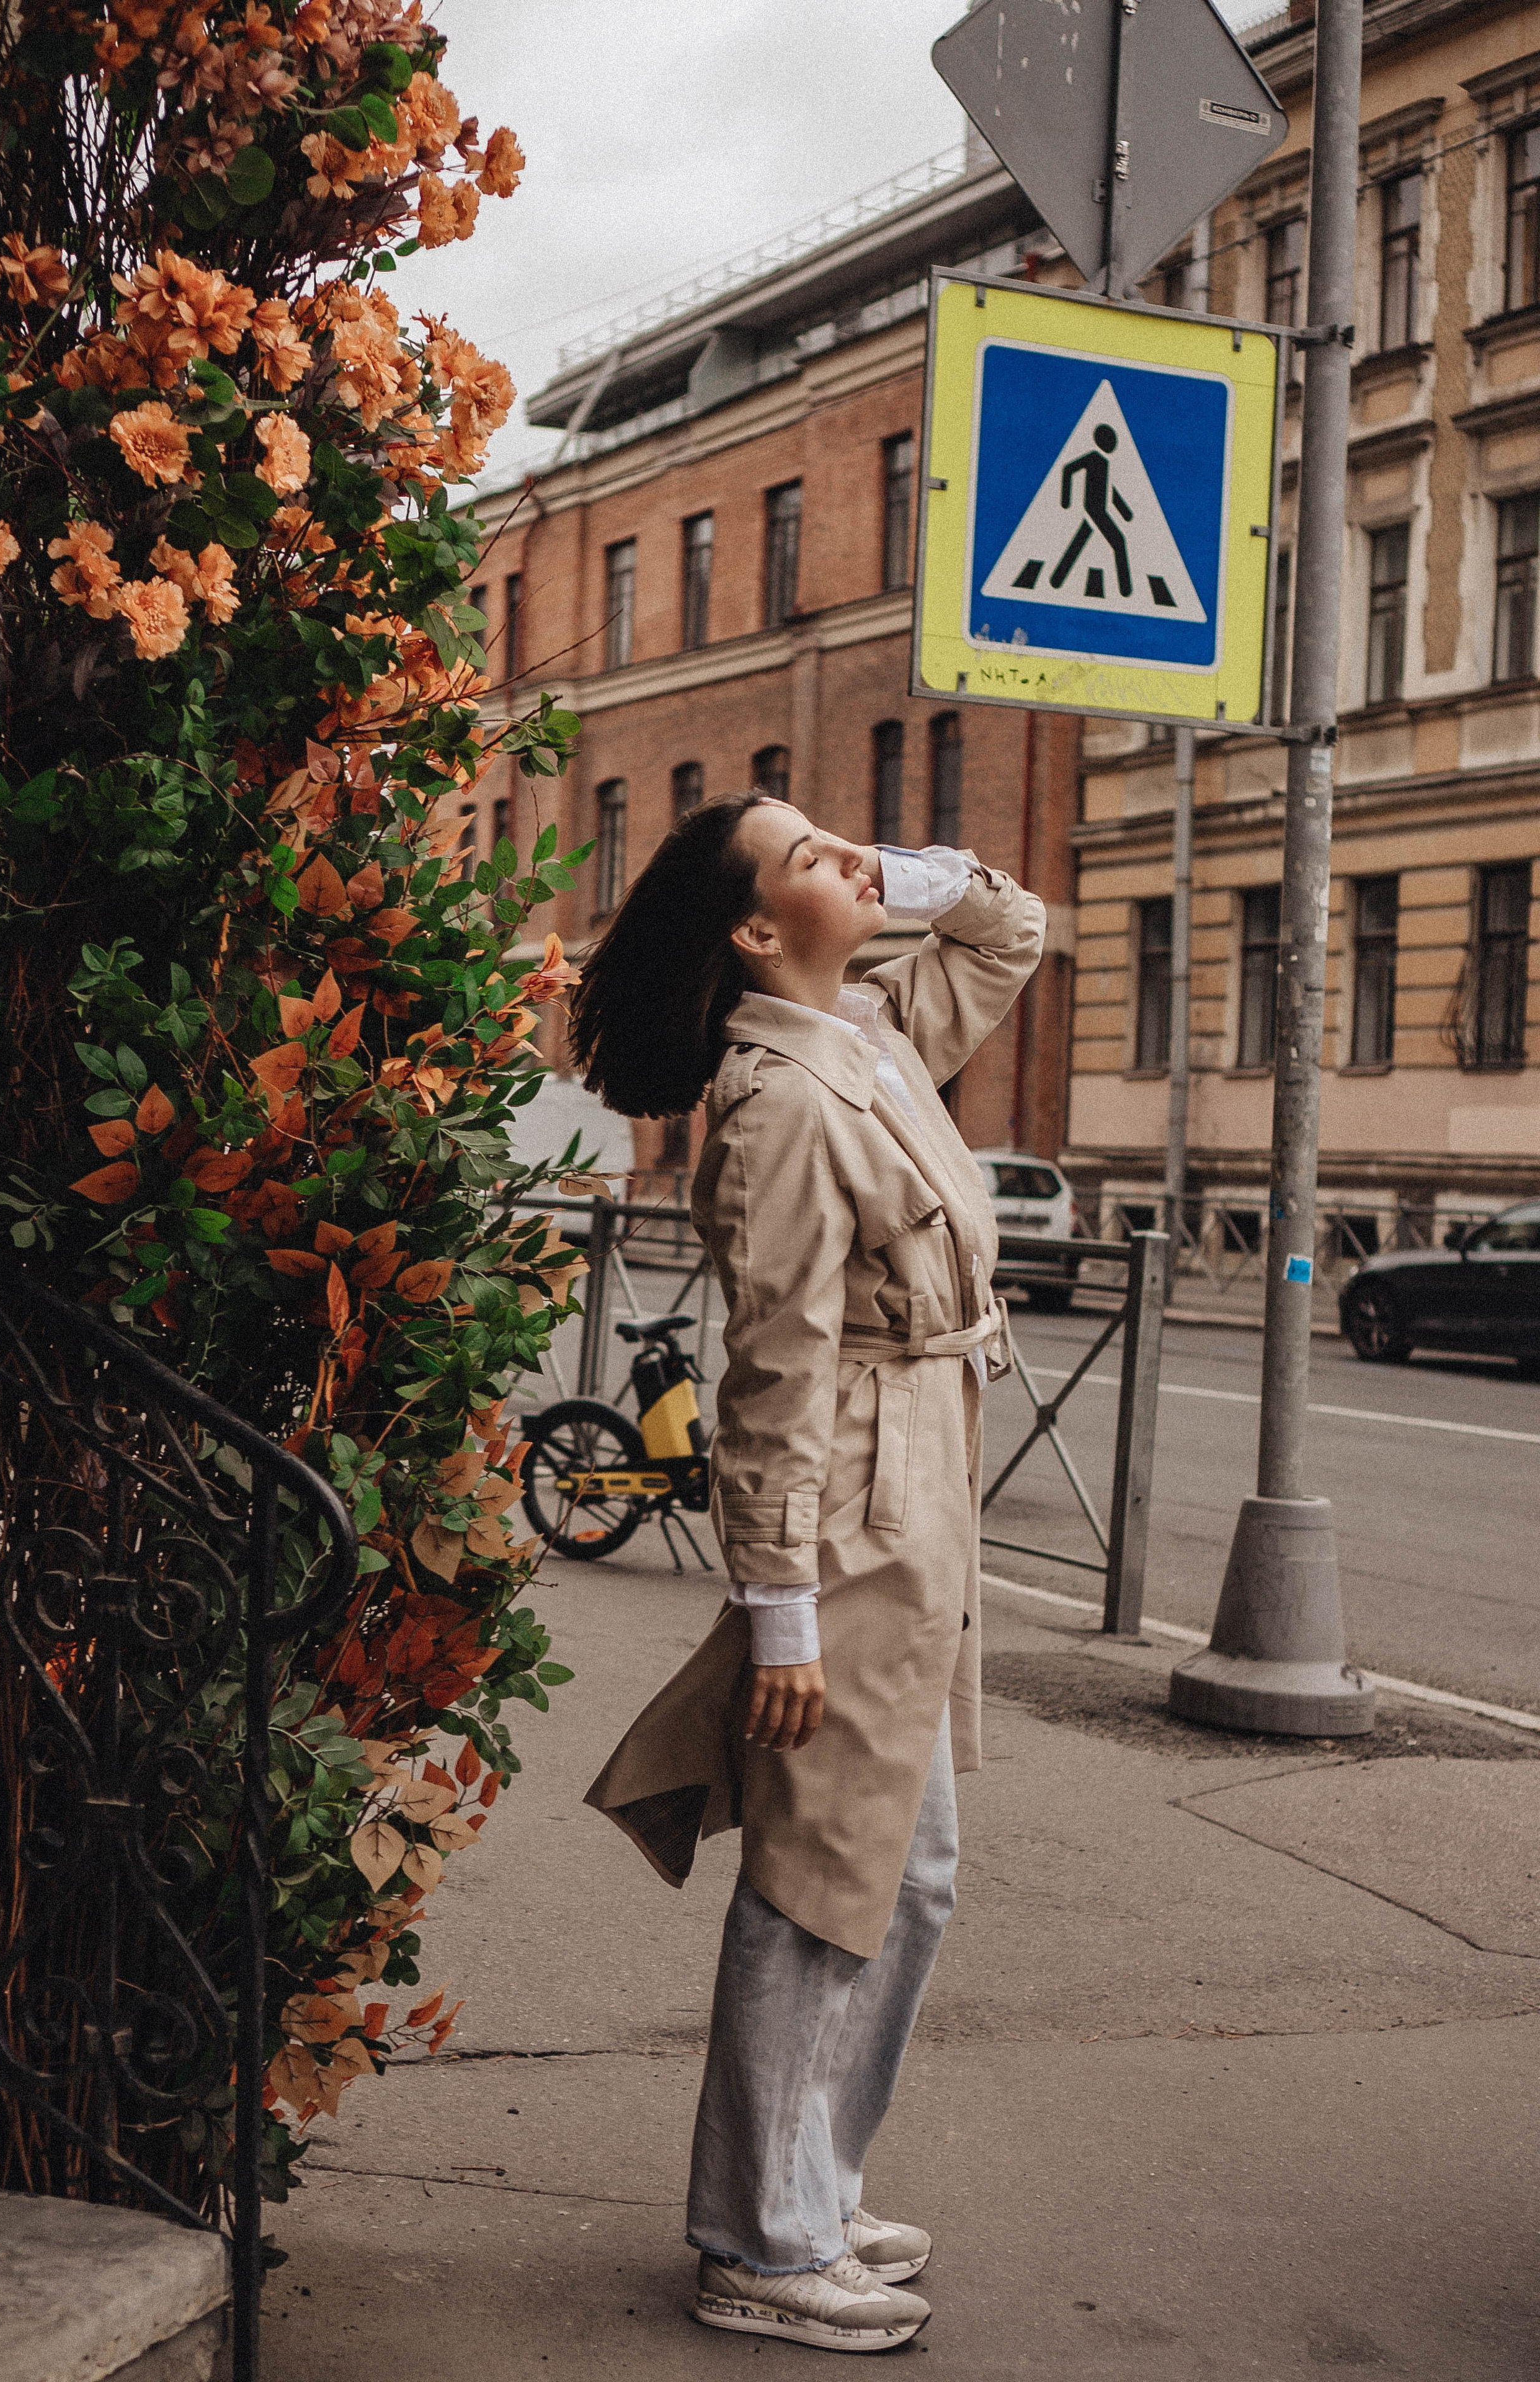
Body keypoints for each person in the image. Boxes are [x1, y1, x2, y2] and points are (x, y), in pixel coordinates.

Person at [571, 793, 1044, 2353]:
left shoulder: (871, 1027)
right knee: (821, 1879)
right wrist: (778, 1609)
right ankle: (761, 2243)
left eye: (840, 837)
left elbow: (1009, 930)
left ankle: (811, 2191)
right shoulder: (774, 1099)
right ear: (754, 932)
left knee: (908, 1875)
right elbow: (771, 1373)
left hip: (923, 1480)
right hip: (853, 1503)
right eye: (804, 856)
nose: (847, 853)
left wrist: (883, 873)